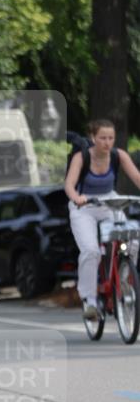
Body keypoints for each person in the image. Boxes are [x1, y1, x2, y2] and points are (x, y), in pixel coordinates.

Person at [65, 118, 140, 320]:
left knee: (133, 241)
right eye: (102, 138)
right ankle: (89, 300)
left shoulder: (118, 155)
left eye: (111, 138)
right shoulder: (81, 157)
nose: (107, 142)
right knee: (90, 251)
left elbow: (137, 178)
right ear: (92, 137)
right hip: (84, 206)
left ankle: (123, 282)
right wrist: (77, 198)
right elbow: (69, 185)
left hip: (109, 201)